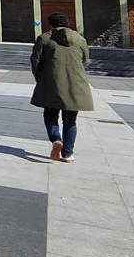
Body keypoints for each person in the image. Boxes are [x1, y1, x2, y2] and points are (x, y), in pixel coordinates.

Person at [30, 11, 94, 163]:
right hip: (76, 85)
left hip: (51, 84)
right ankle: (68, 153)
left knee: (50, 115)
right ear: (67, 23)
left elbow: (35, 61)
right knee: (70, 121)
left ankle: (56, 140)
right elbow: (85, 59)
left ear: (50, 24)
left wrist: (40, 78)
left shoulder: (44, 38)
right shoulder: (80, 39)